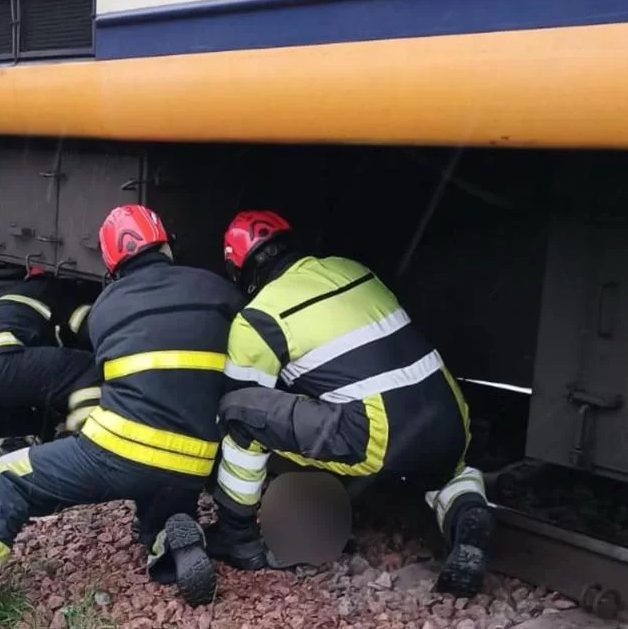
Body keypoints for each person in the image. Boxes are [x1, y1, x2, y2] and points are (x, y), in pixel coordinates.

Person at [0, 205, 246, 629]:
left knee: (4, 477)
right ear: (166, 243)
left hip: (118, 451)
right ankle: (173, 545)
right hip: (193, 462)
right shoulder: (217, 289)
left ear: (111, 262)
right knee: (159, 496)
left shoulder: (106, 306)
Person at [204, 210, 495, 597]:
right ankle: (468, 514)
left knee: (240, 414)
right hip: (448, 415)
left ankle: (234, 534)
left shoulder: (259, 318)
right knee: (444, 472)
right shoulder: (349, 268)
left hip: (380, 432)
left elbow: (244, 400)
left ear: (237, 268)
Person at [0, 265, 101, 462]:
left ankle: (9, 450)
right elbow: (90, 329)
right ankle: (80, 448)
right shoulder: (58, 291)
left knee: (33, 426)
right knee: (88, 371)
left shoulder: (3, 296)